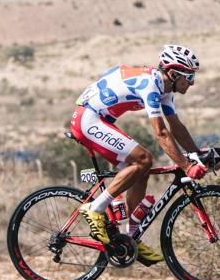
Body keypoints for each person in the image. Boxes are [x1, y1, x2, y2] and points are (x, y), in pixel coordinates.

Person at [70, 44, 209, 265]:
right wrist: (186, 165)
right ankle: (95, 208)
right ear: (173, 74)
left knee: (141, 168)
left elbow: (176, 127)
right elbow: (161, 133)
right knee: (143, 158)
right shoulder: (151, 85)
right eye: (189, 77)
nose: (191, 83)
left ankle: (131, 237)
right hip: (89, 119)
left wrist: (199, 154)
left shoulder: (165, 89)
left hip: (100, 119)